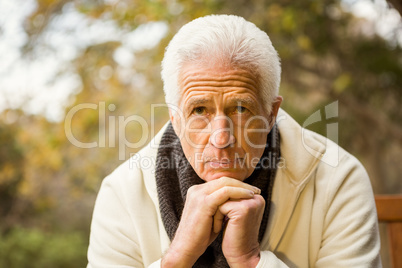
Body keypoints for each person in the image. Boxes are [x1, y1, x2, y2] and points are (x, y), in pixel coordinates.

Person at [87, 15, 381, 267]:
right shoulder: (122, 192)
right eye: (199, 110)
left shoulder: (339, 178)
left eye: (240, 109)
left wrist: (251, 260)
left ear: (270, 113)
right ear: (175, 119)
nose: (221, 137)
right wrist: (176, 259)